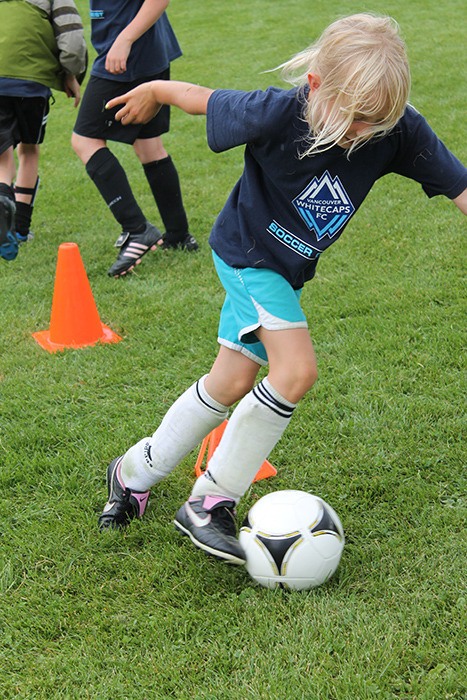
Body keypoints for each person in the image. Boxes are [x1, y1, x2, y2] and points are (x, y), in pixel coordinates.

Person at [97, 14, 467, 564]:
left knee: (230, 381)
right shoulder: (279, 111)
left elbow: (460, 187)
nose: (363, 132)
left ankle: (131, 474)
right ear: (317, 86)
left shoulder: (398, 129)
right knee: (295, 372)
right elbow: (203, 96)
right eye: (355, 118)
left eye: (376, 122)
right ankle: (210, 503)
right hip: (247, 254)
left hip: (283, 271)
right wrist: (152, 89)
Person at [71, 0, 198, 278]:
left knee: (85, 141)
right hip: (145, 53)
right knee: (148, 146)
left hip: (128, 57)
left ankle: (137, 229)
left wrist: (125, 39)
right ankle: (178, 235)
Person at [0, 0, 87, 262]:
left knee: (3, 156)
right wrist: (71, 74)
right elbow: (72, 40)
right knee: (29, 150)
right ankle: (20, 228)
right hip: (32, 84)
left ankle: (3, 201)